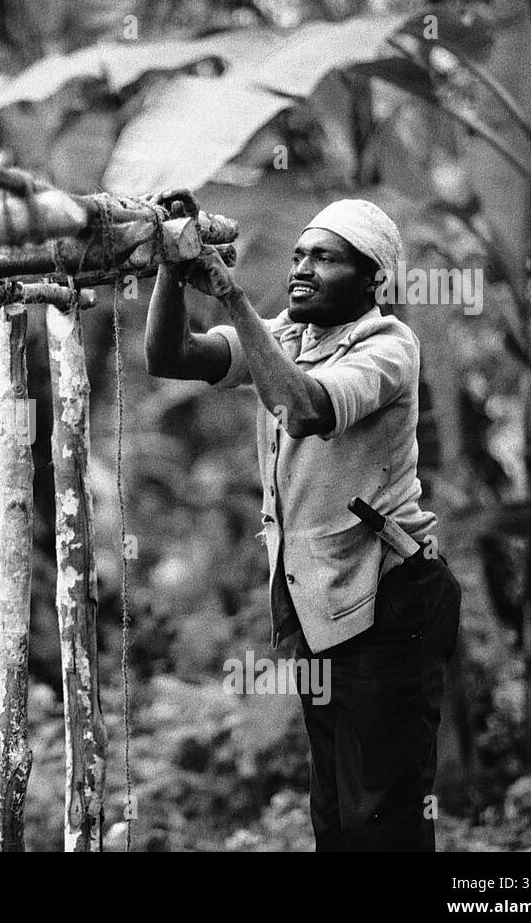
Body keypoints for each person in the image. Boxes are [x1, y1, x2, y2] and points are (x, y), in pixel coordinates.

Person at [144, 195, 462, 851]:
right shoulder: (286, 334)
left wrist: (232, 298)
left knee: (383, 815)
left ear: (373, 278)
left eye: (326, 257)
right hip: (324, 602)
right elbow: (170, 355)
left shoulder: (388, 348)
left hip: (391, 599)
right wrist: (174, 268)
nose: (302, 269)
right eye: (298, 255)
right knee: (337, 816)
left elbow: (302, 406)